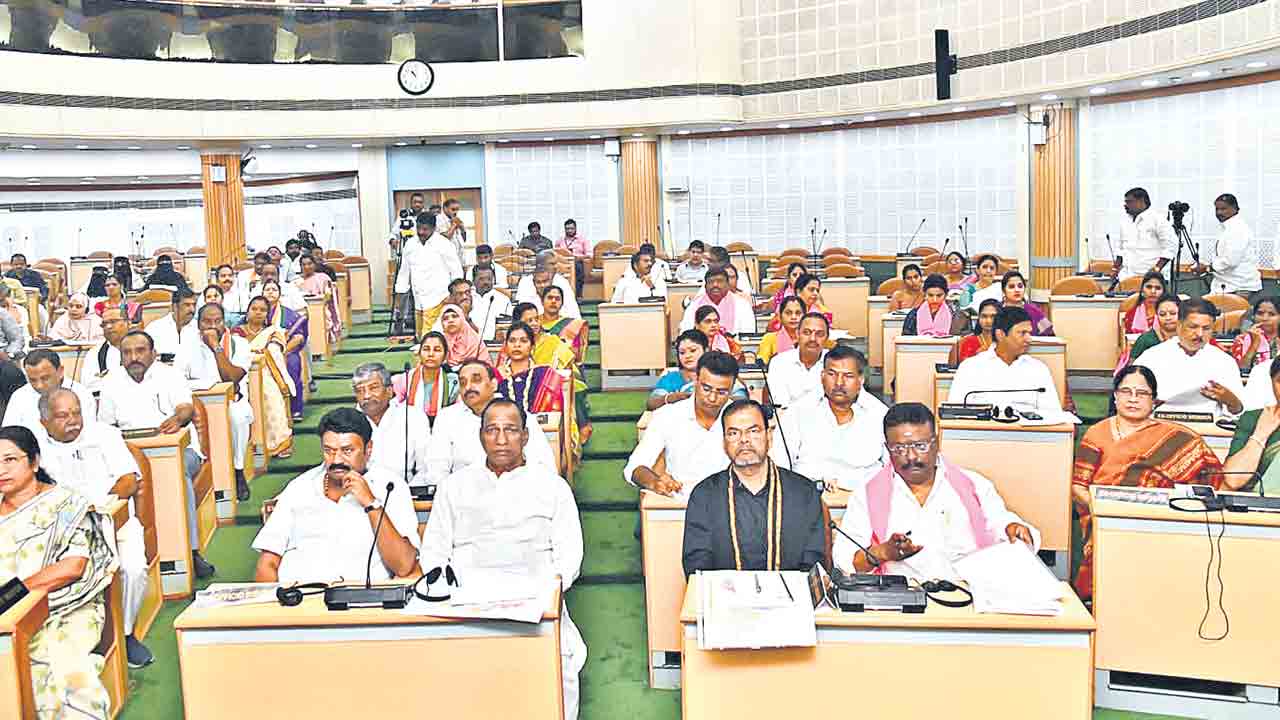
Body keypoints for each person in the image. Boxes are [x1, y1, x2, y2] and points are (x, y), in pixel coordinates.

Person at [419, 399, 585, 719]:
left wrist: (546, 597)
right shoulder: (455, 486)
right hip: (468, 602)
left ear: (525, 436)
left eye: (510, 430)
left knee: (555, 676)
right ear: (480, 436)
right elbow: (434, 552)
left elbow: (570, 556)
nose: (501, 439)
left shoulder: (552, 487)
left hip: (536, 600)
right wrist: (451, 595)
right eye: (492, 430)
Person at [1072, 366, 1232, 597]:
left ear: (1154, 400)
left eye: (1142, 393)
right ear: (1115, 396)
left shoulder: (1176, 437)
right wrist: (1103, 510)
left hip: (1157, 519)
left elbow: (1212, 480)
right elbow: (1078, 486)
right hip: (1105, 518)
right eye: (1126, 391)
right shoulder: (1096, 433)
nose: (1133, 399)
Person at [835, 403, 1039, 582]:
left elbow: (1001, 525)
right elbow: (845, 562)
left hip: (969, 600)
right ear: (887, 448)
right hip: (899, 607)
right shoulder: (866, 495)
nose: (911, 457)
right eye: (899, 448)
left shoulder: (974, 486)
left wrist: (1014, 528)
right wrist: (881, 553)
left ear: (936, 442)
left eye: (920, 445)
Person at [0, 426, 116, 720]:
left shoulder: (64, 504)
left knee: (68, 674)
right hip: (5, 618)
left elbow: (74, 566)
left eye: (9, 460)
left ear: (34, 462)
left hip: (65, 609)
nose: (1, 469)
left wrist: (14, 593)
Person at [37, 388, 153, 667]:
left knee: (133, 569)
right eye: (63, 416)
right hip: (63, 534)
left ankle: (125, 635)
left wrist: (100, 504)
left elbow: (128, 481)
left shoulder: (105, 435)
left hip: (115, 520)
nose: (73, 421)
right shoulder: (36, 449)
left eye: (77, 413)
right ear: (44, 422)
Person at [253, 408, 420, 584]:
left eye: (347, 451)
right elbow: (268, 562)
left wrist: (370, 503)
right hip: (298, 600)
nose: (336, 460)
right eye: (329, 451)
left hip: (362, 602)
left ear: (368, 449)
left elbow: (404, 565)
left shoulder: (390, 487)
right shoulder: (299, 488)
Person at [682, 398, 826, 576]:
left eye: (753, 431)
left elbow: (814, 563)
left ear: (769, 437)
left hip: (790, 601)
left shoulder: (804, 492)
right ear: (724, 443)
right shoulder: (704, 495)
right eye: (734, 433)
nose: (744, 440)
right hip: (725, 600)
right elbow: (697, 566)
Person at [425, 359, 559, 486]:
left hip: (516, 493)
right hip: (464, 497)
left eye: (476, 380)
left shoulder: (516, 414)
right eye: (463, 382)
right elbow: (437, 468)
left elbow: (544, 466)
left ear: (494, 384)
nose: (468, 387)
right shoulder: (447, 417)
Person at [624, 351, 739, 496]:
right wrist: (655, 482)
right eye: (706, 389)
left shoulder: (742, 418)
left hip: (730, 502)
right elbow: (634, 467)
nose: (712, 398)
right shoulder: (668, 415)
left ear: (733, 387)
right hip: (679, 502)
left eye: (722, 392)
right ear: (695, 380)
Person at [775, 346, 889, 491]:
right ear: (822, 376)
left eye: (848, 376)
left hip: (865, 498)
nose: (839, 383)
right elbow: (781, 464)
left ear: (860, 380)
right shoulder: (797, 411)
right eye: (832, 374)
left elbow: (892, 467)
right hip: (809, 497)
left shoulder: (879, 414)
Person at [182, 303, 255, 501]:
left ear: (225, 322)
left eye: (217, 321)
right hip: (199, 405)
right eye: (207, 322)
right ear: (198, 325)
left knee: (236, 417)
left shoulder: (239, 344)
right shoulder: (187, 345)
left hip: (233, 402)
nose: (212, 326)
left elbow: (232, 377)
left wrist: (216, 347)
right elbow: (178, 380)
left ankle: (238, 470)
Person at [947, 305, 1066, 416]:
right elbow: (955, 412)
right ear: (1000, 334)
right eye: (1022, 333)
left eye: (1029, 333)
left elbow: (1052, 413)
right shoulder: (970, 367)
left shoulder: (1038, 369)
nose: (1028, 339)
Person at [498, 313, 591, 452]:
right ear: (505, 346)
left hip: (542, 440)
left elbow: (555, 417)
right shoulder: (496, 377)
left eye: (523, 341)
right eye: (512, 341)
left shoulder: (545, 375)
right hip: (502, 439)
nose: (517, 345)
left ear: (532, 346)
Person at [1136, 297, 1244, 417]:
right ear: (1179, 326)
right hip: (1161, 427)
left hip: (1209, 431)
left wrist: (1230, 399)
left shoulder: (1224, 361)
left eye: (1206, 328)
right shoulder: (1151, 357)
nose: (1199, 334)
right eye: (1193, 327)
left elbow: (1238, 411)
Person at [231, 296, 295, 457]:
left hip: (267, 371)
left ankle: (278, 443)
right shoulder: (237, 332)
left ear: (267, 314)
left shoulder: (273, 332)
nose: (258, 313)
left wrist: (263, 352)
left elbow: (276, 351)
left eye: (262, 310)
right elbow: (234, 354)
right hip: (242, 373)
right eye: (254, 309)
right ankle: (251, 446)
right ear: (247, 312)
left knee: (271, 395)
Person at [351, 363, 432, 489]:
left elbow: (426, 468)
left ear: (389, 391)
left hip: (407, 496)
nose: (366, 396)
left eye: (373, 388)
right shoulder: (349, 421)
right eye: (360, 390)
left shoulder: (413, 417)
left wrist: (405, 494)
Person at [394, 210, 463, 336]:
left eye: (425, 229)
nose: (421, 232)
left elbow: (456, 272)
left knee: (431, 338)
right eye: (418, 228)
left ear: (434, 228)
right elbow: (403, 274)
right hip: (418, 301)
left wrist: (453, 296)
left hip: (439, 299)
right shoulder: (410, 245)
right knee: (420, 338)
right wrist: (399, 302)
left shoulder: (444, 244)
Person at [1226, 357, 1280, 493]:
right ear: (1272, 383)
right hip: (1260, 509)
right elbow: (1233, 480)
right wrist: (1260, 435)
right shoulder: (1253, 418)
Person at [4, 349, 96, 429]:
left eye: (45, 378)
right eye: (33, 380)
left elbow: (87, 434)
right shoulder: (19, 396)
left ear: (60, 371)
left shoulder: (81, 394)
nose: (39, 385)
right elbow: (9, 435)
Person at [262, 280, 308, 420]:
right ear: (262, 293)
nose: (270, 292)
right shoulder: (258, 312)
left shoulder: (289, 314)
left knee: (293, 365)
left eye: (274, 289)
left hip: (287, 352)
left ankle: (295, 409)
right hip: (263, 354)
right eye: (267, 289)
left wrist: (283, 352)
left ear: (280, 294)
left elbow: (299, 337)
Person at [391, 332, 459, 426]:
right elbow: (394, 408)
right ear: (419, 353)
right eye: (426, 349)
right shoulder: (406, 378)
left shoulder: (453, 382)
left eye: (437, 350)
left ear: (445, 356)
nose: (431, 354)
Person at [1199, 193, 1261, 294]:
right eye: (1217, 209)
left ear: (1235, 209)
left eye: (1224, 209)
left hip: (1239, 287)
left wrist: (1207, 268)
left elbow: (1230, 261)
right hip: (1227, 284)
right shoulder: (1227, 227)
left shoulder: (1237, 229)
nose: (1219, 212)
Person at [765, 313, 830, 408]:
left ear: (827, 338)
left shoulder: (836, 363)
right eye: (807, 332)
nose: (813, 338)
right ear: (797, 334)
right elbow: (780, 404)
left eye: (819, 334)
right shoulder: (779, 362)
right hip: (788, 420)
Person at [1115, 187, 1176, 281]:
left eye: (1129, 202)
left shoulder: (1158, 219)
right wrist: (1115, 268)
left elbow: (1171, 247)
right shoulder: (1125, 222)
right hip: (1126, 276)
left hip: (1151, 278)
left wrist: (1157, 268)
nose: (1125, 205)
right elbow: (1120, 248)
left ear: (1141, 201)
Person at [679, 266, 755, 335]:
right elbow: (685, 334)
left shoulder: (742, 305)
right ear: (705, 286)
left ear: (727, 285)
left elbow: (747, 335)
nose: (715, 285)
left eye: (720, 281)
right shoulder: (694, 305)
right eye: (711, 282)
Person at [517, 252, 582, 319]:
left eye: (556, 263)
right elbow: (524, 311)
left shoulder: (562, 281)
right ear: (540, 265)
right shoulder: (525, 282)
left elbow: (572, 310)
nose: (556, 266)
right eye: (552, 264)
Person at [1122, 293, 1181, 368]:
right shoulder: (1145, 340)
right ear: (1156, 315)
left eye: (1173, 313)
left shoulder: (1188, 338)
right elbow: (1131, 370)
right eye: (1162, 314)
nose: (1168, 318)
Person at [902, 273, 969, 337]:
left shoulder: (958, 316)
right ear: (924, 294)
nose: (935, 300)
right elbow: (905, 341)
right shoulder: (913, 315)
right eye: (930, 295)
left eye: (939, 295)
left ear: (946, 295)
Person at [299, 254, 344, 348]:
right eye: (304, 265)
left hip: (321, 309)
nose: (307, 267)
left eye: (309, 264)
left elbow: (328, 297)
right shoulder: (296, 281)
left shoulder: (323, 278)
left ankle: (322, 348)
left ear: (314, 265)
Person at [84, 307, 129, 394]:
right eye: (104, 324)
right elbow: (89, 385)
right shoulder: (94, 353)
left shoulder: (143, 348)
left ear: (128, 323)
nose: (108, 327)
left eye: (113, 322)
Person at [147, 287, 200, 360]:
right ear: (174, 307)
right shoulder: (155, 328)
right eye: (187, 305)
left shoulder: (200, 328)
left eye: (194, 305)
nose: (192, 309)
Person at [540, 285, 589, 363]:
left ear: (562, 303)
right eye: (550, 298)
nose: (553, 301)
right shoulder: (533, 324)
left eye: (557, 299)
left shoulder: (573, 325)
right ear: (542, 301)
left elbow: (577, 356)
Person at [1232, 296, 1280, 370]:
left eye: (1272, 314)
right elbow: (1242, 370)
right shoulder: (1241, 339)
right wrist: (1254, 344)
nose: (1264, 318)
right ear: (1253, 316)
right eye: (1260, 313)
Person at [1001, 270, 1053, 336]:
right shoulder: (997, 310)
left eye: (1020, 286)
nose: (1017, 290)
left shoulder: (1034, 310)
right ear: (1003, 291)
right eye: (1011, 287)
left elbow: (1049, 334)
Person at [757, 296, 805, 365]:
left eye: (798, 313)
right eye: (788, 313)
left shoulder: (811, 339)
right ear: (780, 316)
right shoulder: (770, 338)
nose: (793, 317)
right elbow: (762, 364)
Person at [951, 298, 1000, 365]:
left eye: (993, 316)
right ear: (979, 317)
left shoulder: (1008, 343)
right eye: (984, 316)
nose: (988, 321)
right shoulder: (964, 342)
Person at [470, 265, 512, 341]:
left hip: (495, 345)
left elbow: (508, 327)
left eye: (489, 279)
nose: (486, 282)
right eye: (481, 279)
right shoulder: (467, 298)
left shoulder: (504, 300)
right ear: (473, 281)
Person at [558, 218, 591, 298]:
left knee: (577, 267)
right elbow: (556, 253)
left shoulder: (582, 239)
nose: (569, 231)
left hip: (578, 262)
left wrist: (578, 257)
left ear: (575, 228)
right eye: (567, 229)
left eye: (571, 228)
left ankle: (578, 295)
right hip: (563, 263)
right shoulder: (560, 240)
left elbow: (589, 254)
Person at [436, 197, 468, 272]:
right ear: (445, 208)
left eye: (457, 209)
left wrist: (462, 228)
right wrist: (454, 225)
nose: (455, 212)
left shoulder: (456, 219)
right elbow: (445, 238)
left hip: (459, 260)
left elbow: (464, 240)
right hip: (446, 262)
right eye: (453, 209)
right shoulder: (439, 219)